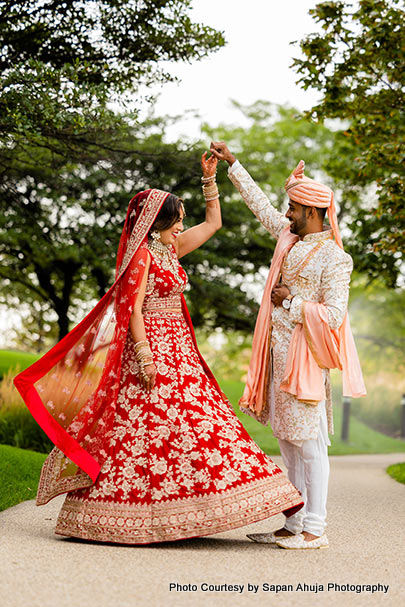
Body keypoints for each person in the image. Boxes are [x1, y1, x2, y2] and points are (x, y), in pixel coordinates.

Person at [14, 152, 303, 544]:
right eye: (177, 219)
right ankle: (119, 515)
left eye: (182, 218)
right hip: (151, 347)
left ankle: (198, 509)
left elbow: (214, 223)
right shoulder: (144, 256)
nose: (182, 225)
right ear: (158, 223)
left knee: (199, 424)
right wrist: (146, 356)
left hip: (180, 348)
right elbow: (131, 308)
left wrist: (210, 181)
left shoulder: (172, 248)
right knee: (143, 430)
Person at [210, 142, 366, 550]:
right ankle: (293, 523)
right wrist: (233, 165)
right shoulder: (290, 239)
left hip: (307, 360)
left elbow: (333, 315)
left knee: (310, 444)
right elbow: (261, 207)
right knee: (288, 441)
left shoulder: (335, 258)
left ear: (312, 212)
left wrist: (291, 302)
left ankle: (316, 528)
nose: (288, 215)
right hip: (278, 356)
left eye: (294, 209)